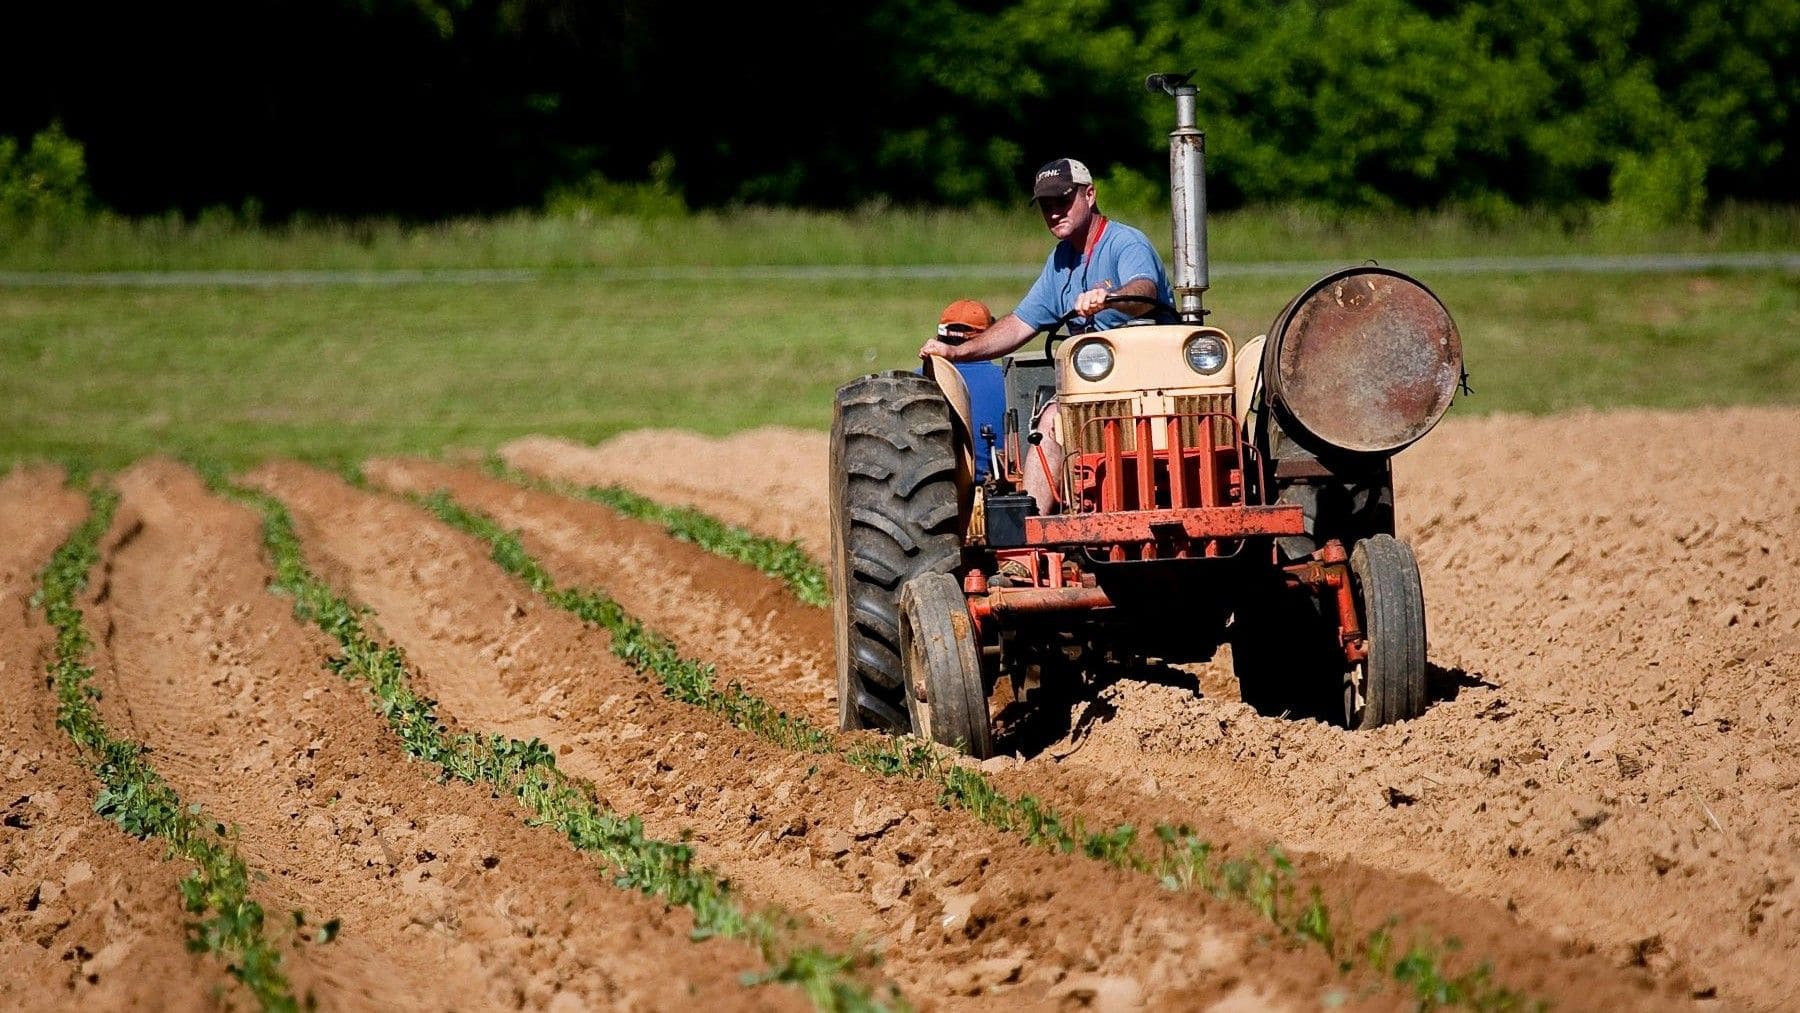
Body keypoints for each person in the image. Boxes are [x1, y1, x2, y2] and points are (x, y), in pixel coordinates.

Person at [918, 157, 1175, 511]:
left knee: (1057, 415)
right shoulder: (1060, 261)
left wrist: (1110, 297)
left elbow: (1145, 292)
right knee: (1050, 422)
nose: (1054, 212)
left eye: (1063, 201)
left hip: (1154, 382)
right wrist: (957, 353)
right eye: (1046, 206)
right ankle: (1032, 537)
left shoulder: (1124, 243)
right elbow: (1020, 324)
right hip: (1094, 390)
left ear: (1090, 194)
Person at [924, 299, 1007, 482]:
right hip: (1002, 489)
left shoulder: (919, 382)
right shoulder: (1010, 380)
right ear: (990, 338)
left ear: (939, 337)